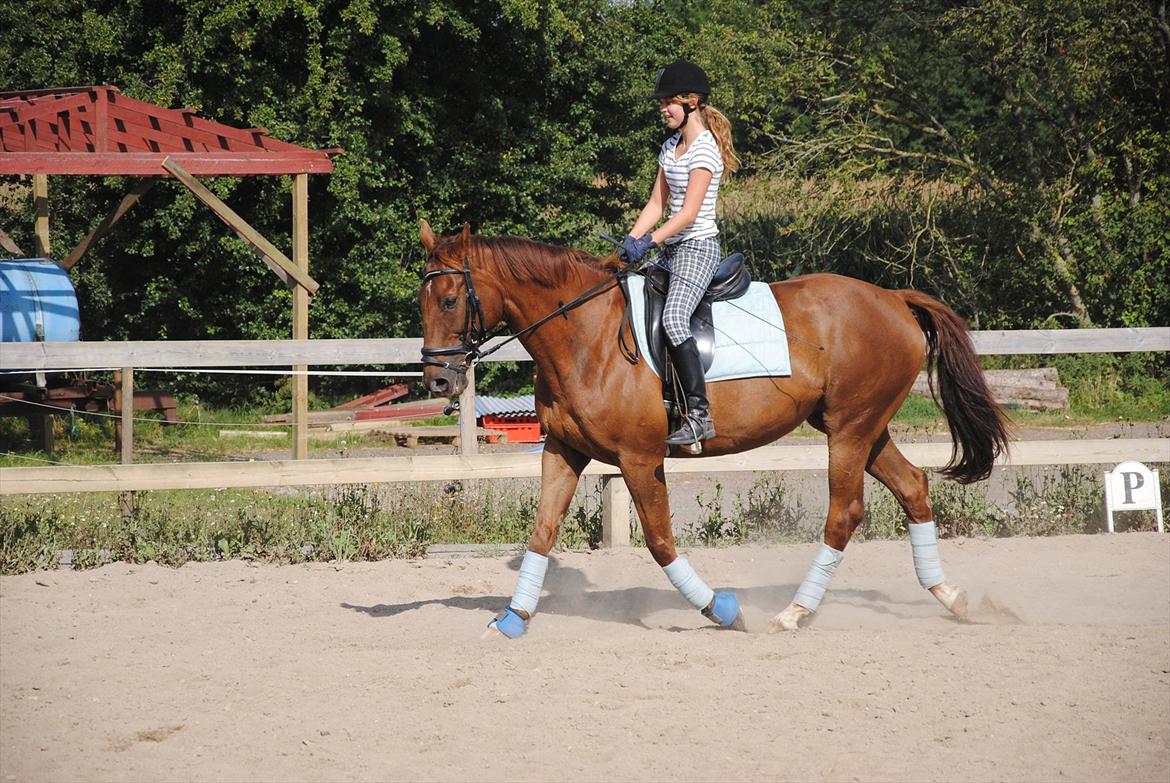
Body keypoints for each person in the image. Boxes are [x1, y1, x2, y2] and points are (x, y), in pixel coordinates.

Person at [619, 60, 740, 446]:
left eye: (667, 102)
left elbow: (687, 214)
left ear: (691, 102)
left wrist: (649, 242)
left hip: (697, 248)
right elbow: (657, 203)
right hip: (671, 247)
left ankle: (699, 414)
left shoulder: (705, 151)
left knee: (673, 319)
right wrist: (630, 241)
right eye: (662, 103)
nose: (662, 109)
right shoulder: (671, 147)